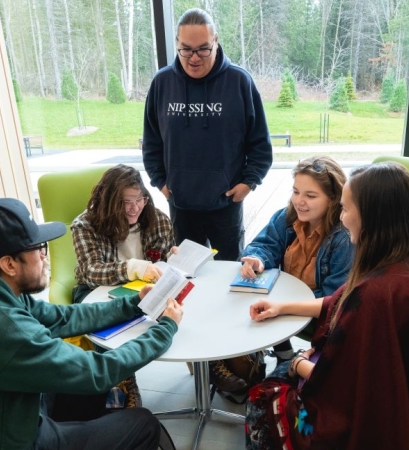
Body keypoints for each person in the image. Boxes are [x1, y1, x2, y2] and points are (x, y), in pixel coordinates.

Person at [244, 163, 409, 449]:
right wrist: (281, 307)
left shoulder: (376, 296)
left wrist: (297, 363)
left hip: (374, 422)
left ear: (371, 216)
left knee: (263, 396)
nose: (342, 218)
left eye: (345, 209)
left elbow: (339, 385)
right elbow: (339, 302)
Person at [0, 198, 183, 450]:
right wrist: (165, 329)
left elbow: (63, 318)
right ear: (9, 264)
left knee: (89, 387)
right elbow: (96, 371)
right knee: (143, 423)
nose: (45, 257)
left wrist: (133, 305)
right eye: (39, 249)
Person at [142, 8, 273, 261]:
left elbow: (260, 145)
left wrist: (249, 183)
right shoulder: (162, 83)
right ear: (177, 45)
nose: (194, 58)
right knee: (188, 278)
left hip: (226, 205)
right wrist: (162, 182)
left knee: (231, 273)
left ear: (216, 41)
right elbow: (151, 142)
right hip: (181, 204)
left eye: (203, 48)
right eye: (186, 49)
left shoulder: (239, 81)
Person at [238, 156, 353, 365]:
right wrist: (257, 259)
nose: (299, 201)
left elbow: (333, 299)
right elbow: (265, 245)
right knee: (248, 297)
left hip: (320, 312)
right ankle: (281, 357)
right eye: (296, 191)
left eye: (310, 195)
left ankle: (286, 362)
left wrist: (284, 305)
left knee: (263, 307)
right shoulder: (286, 217)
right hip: (288, 298)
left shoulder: (344, 237)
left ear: (333, 198)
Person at [71, 164, 176, 304]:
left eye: (139, 200)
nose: (134, 208)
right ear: (109, 202)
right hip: (96, 290)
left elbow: (161, 264)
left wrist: (173, 258)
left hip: (142, 289)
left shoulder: (158, 220)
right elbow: (91, 271)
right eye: (125, 202)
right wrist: (134, 268)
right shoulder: (85, 225)